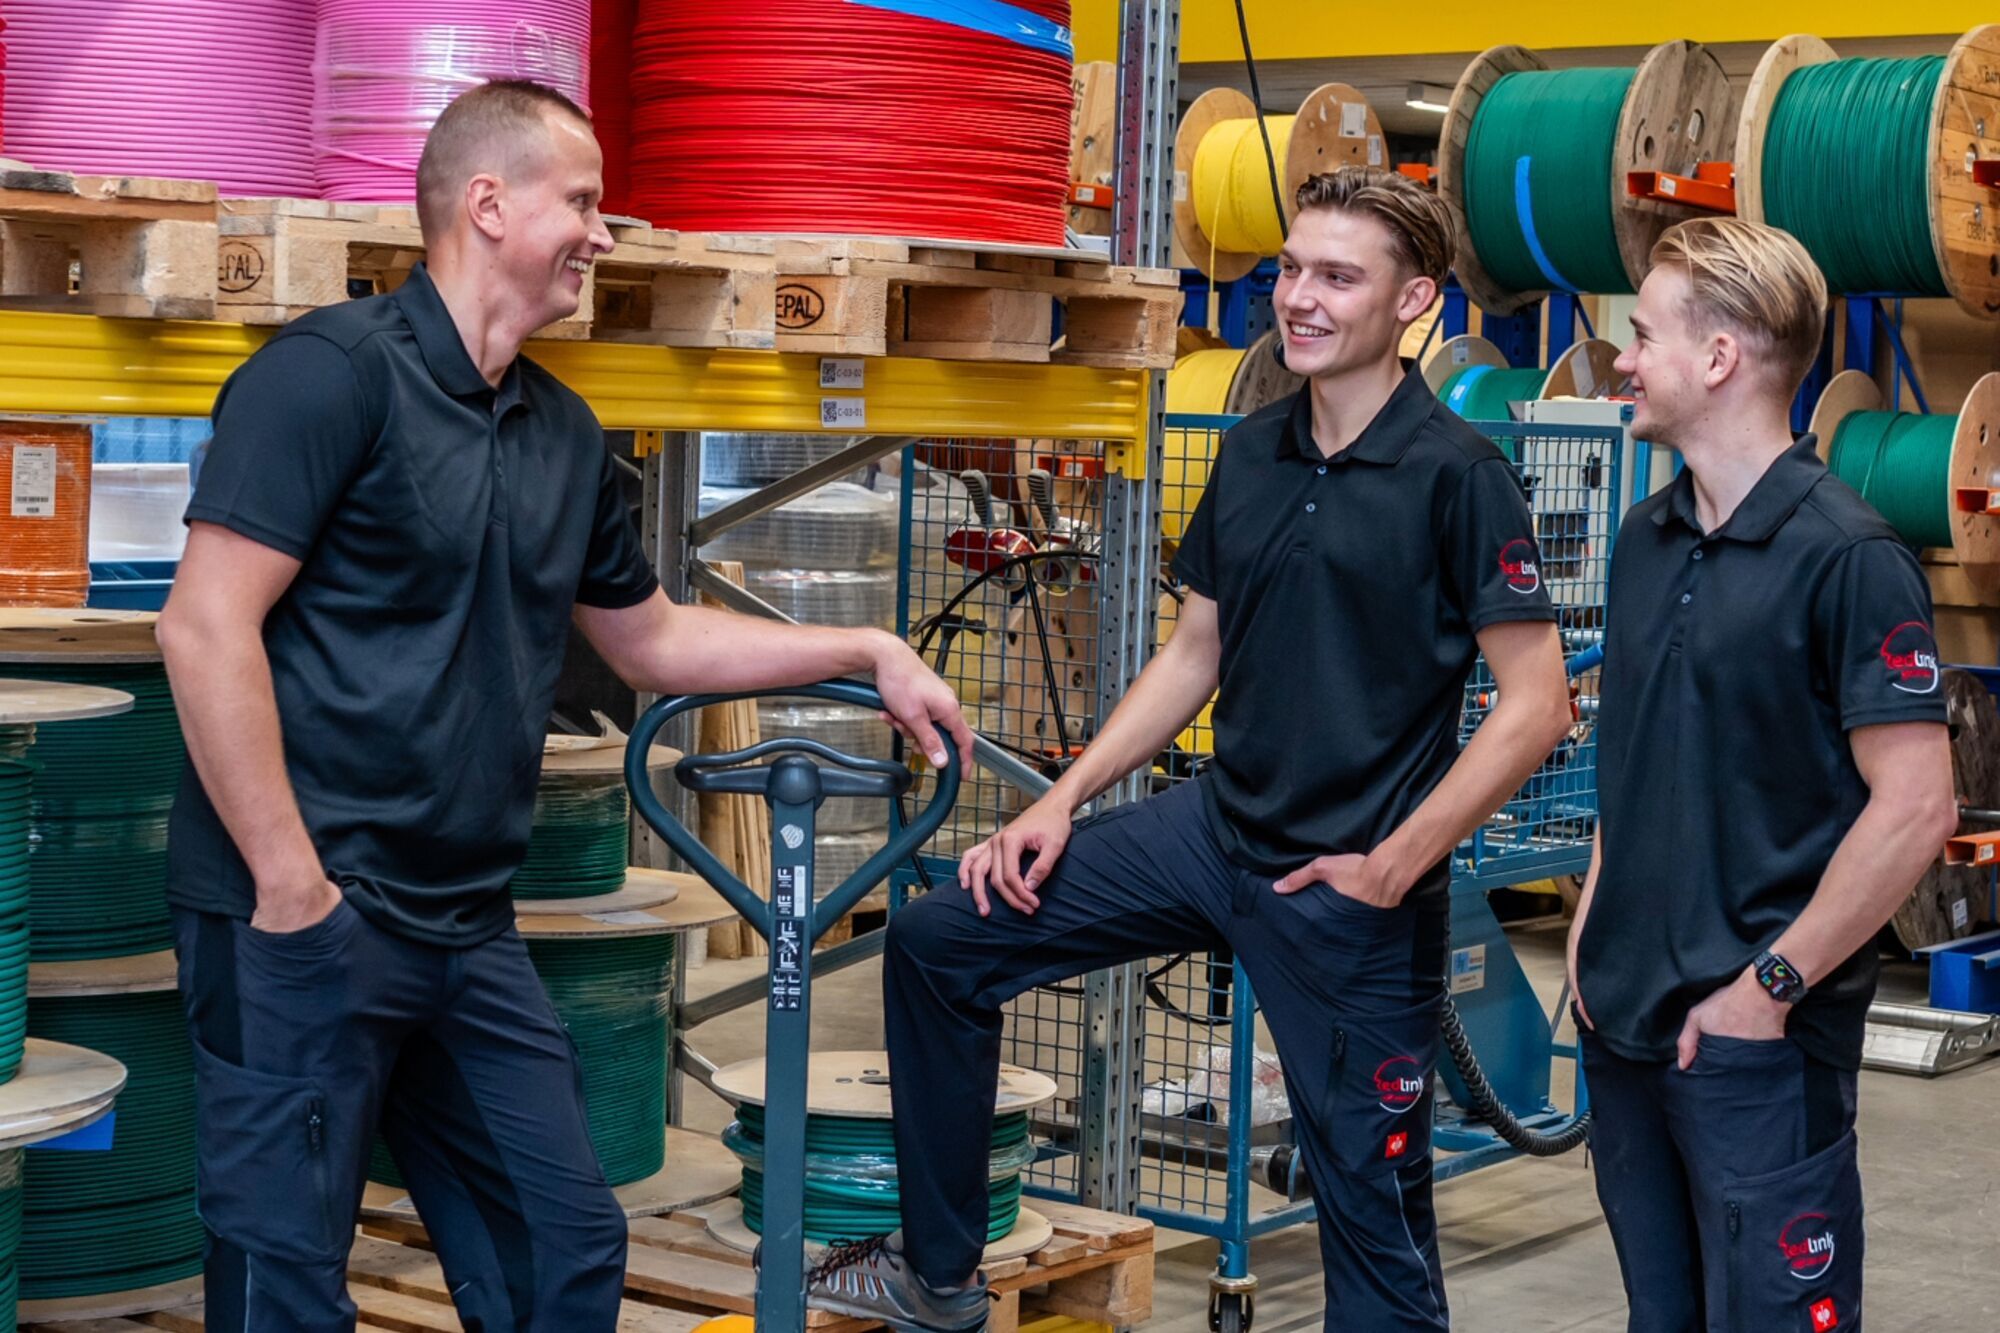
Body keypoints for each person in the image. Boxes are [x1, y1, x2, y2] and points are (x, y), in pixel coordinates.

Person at [157, 79, 972, 1333]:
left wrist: (864, 649)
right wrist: (289, 886)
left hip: (461, 921)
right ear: (487, 204)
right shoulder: (326, 379)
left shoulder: (563, 434)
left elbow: (651, 639)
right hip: (302, 914)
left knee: (564, 1245)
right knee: (287, 1282)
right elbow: (204, 625)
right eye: (583, 202)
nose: (602, 233)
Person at [797, 166, 1575, 1331]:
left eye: (1337, 277)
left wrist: (1393, 864)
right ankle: (941, 1276)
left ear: (1413, 300)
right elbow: (1192, 652)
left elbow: (1536, 703)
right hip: (1212, 831)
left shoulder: (1459, 477)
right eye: (1292, 270)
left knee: (1371, 1215)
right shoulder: (1254, 450)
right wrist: (1060, 799)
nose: (1298, 299)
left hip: (1347, 889)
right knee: (940, 941)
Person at [1568, 218, 1958, 1332]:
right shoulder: (1644, 537)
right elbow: (1637, 755)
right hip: (1623, 1027)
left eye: (1644, 335)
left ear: (1718, 357)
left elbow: (1916, 806)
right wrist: (1590, 930)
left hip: (1758, 1047)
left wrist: (1768, 989)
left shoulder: (1850, 557)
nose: (1624, 358)